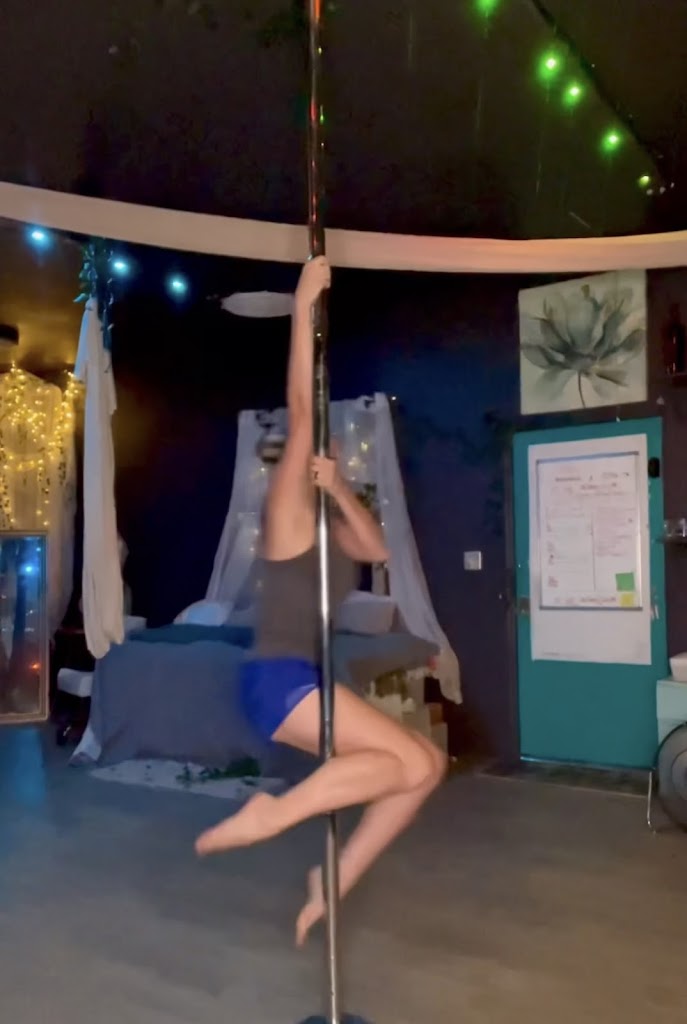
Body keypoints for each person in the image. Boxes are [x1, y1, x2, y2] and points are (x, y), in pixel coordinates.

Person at [195, 256, 447, 946]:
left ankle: (331, 880)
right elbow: (302, 404)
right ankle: (272, 815)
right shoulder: (284, 513)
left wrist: (338, 488)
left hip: (300, 678)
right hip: (276, 679)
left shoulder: (331, 523)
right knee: (407, 764)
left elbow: (378, 550)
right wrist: (306, 302)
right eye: (316, 447)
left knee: (423, 768)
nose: (325, 446)